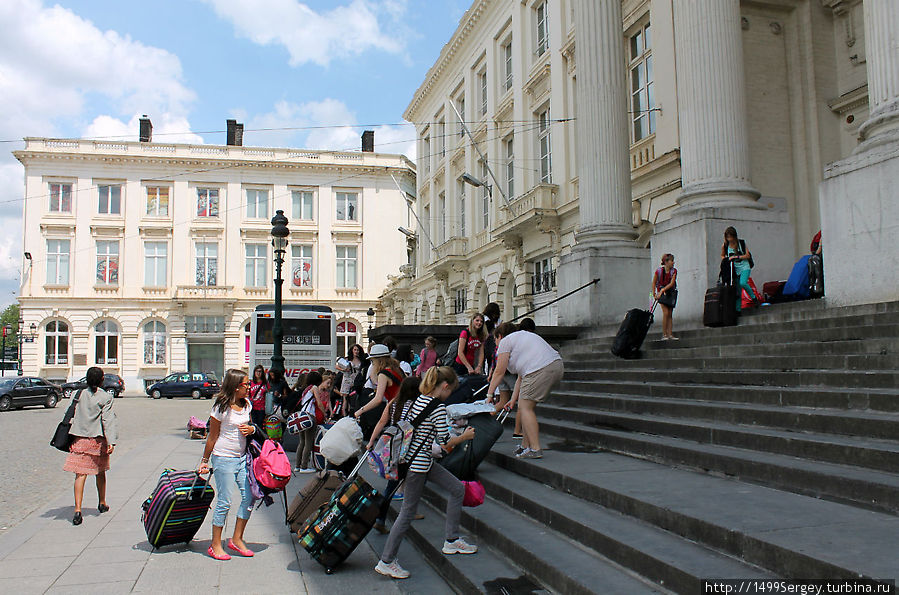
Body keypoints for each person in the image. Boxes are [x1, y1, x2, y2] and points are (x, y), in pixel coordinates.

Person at [375, 367, 478, 580]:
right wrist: (464, 436)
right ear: (445, 386)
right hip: (419, 466)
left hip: (417, 461)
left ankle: (451, 540)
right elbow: (445, 442)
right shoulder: (438, 408)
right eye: (451, 390)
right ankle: (386, 560)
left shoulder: (420, 400)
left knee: (457, 488)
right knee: (407, 513)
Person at [198, 369, 256, 560]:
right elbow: (212, 436)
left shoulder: (247, 404)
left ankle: (237, 539)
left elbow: (254, 426)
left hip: (241, 458)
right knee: (225, 501)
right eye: (245, 384)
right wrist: (204, 461)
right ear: (235, 386)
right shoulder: (221, 407)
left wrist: (252, 429)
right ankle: (215, 544)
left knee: (249, 497)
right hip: (223, 457)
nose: (248, 387)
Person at [487, 322, 564, 460]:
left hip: (539, 369)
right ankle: (525, 446)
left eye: (495, 339)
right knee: (525, 407)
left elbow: (499, 371)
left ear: (500, 336)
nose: (496, 343)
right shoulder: (522, 339)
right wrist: (513, 399)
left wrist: (489, 394)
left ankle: (535, 448)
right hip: (555, 366)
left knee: (526, 408)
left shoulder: (506, 341)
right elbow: (520, 378)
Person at [368, 376, 423, 534]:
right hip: (409, 448)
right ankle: (387, 517)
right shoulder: (417, 405)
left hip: (393, 448)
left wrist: (371, 441)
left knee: (393, 485)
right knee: (407, 483)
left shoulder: (393, 403)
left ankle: (382, 519)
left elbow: (381, 422)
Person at [63, 366, 118, 526]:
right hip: (97, 440)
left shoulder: (77, 394)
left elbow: (70, 414)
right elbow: (107, 420)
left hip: (80, 440)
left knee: (80, 475)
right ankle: (102, 502)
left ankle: (78, 510)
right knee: (100, 472)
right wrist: (111, 441)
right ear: (102, 380)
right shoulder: (105, 397)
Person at [354, 345, 404, 438]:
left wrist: (359, 411)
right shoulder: (397, 369)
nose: (372, 363)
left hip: (396, 409)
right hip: (406, 408)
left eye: (372, 360)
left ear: (378, 360)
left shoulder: (383, 374)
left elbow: (378, 399)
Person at [294, 370, 332, 473]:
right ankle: (304, 466)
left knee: (302, 442)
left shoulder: (306, 389)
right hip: (310, 416)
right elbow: (319, 403)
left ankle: (297, 465)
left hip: (302, 416)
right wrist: (324, 413)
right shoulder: (314, 388)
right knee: (309, 442)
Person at [721, 226, 762, 315]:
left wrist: (736, 256)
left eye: (731, 237)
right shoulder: (725, 245)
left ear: (734, 236)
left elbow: (747, 256)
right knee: (738, 290)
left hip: (744, 266)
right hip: (734, 269)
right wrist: (726, 259)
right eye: (728, 237)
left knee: (743, 283)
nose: (730, 239)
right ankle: (738, 310)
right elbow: (722, 256)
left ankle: (754, 297)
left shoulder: (741, 243)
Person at [653, 254, 678, 340]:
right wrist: (654, 293)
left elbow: (671, 283)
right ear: (666, 262)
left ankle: (670, 333)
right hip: (662, 294)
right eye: (671, 260)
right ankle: (664, 334)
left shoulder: (674, 271)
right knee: (666, 313)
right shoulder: (659, 271)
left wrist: (662, 291)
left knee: (670, 313)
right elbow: (654, 282)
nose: (673, 262)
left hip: (669, 292)